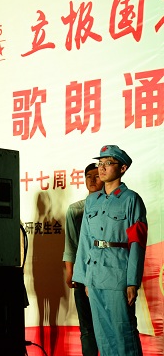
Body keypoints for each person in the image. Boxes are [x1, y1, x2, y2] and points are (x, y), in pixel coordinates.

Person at [72, 145, 147, 356]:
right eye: (100, 163)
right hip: (95, 275)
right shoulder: (92, 201)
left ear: (122, 168)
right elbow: (85, 240)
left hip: (118, 275)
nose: (102, 168)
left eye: (108, 163)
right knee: (102, 334)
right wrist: (84, 278)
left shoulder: (131, 199)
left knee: (123, 333)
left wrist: (132, 282)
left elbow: (137, 243)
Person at [62, 163, 103, 356]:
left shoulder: (112, 206)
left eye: (97, 176)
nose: (92, 180)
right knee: (86, 328)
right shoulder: (76, 209)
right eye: (88, 176)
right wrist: (70, 271)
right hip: (82, 273)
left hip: (104, 273)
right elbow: (70, 243)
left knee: (107, 324)